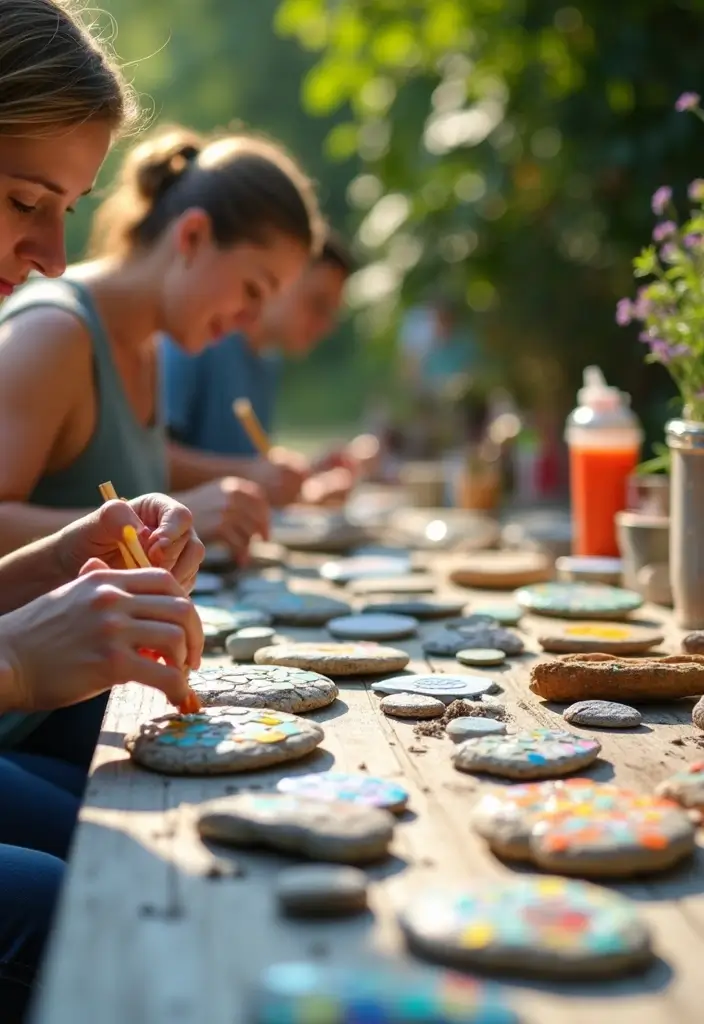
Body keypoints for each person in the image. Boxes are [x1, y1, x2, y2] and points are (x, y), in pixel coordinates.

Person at [0, 3, 203, 1019]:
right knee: (90, 895)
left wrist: (60, 557)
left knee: (143, 840)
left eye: (67, 206)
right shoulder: (48, 331)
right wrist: (18, 662)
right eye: (22, 198)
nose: (47, 251)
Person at [0, 120, 325, 561]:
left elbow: (107, 461)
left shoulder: (146, 344)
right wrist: (171, 520)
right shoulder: (53, 332)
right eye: (252, 290)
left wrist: (238, 482)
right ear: (192, 237)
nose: (251, 321)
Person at [161, 232, 379, 506]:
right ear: (282, 280)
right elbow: (150, 459)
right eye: (317, 304)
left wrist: (306, 475)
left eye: (332, 313)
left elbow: (249, 464)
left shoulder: (267, 361)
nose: (325, 325)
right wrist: (251, 475)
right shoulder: (201, 336)